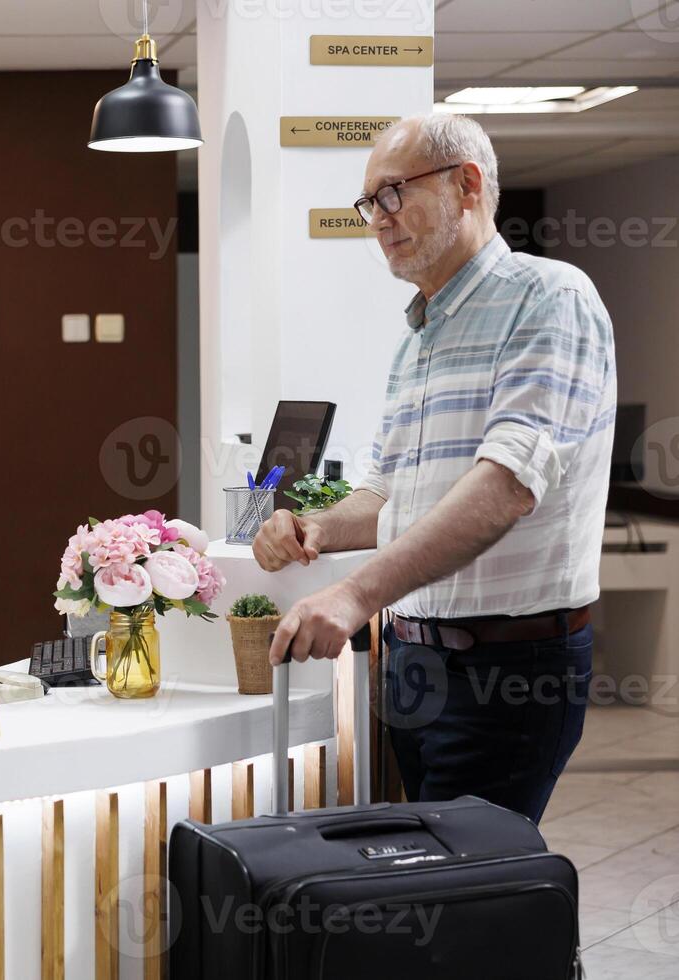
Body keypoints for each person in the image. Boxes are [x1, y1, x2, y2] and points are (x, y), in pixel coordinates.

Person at [253, 114, 615, 823]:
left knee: (469, 896)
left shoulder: (549, 300)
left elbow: (506, 487)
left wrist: (355, 596)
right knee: (430, 879)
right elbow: (386, 493)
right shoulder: (417, 337)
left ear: (467, 185)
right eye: (368, 205)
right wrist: (315, 528)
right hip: (413, 664)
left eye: (391, 194)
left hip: (507, 666)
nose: (377, 221)